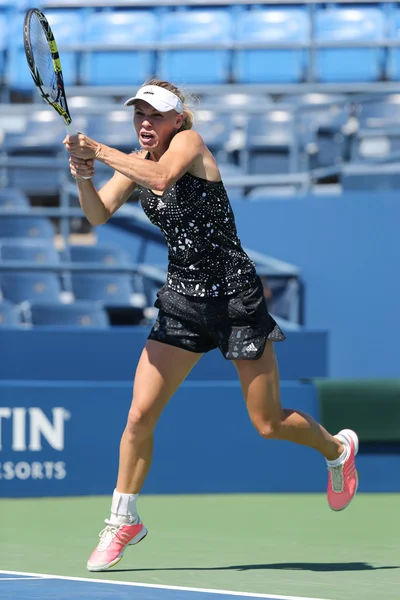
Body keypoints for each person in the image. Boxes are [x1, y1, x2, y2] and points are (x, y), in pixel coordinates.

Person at [63, 79, 359, 573]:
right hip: (182, 301)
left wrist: (97, 147)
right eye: (139, 114)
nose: (145, 123)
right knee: (139, 416)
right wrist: (83, 176)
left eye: (154, 115)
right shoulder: (136, 161)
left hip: (234, 298)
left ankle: (337, 449)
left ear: (177, 119)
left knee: (268, 424)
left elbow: (160, 182)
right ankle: (122, 520)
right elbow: (96, 215)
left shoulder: (189, 145)